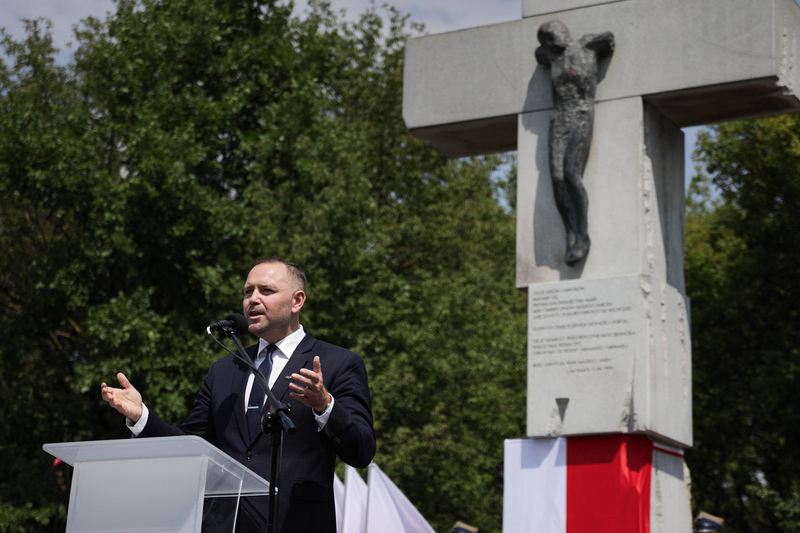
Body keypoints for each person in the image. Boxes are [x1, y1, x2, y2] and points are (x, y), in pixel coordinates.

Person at [101, 258, 376, 533]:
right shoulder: (223, 370)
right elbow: (190, 447)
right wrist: (142, 418)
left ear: (297, 301)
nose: (252, 299)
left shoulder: (337, 363)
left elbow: (362, 451)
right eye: (248, 291)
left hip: (295, 523)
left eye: (266, 291)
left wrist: (325, 407)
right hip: (224, 524)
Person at [535, 20, 614, 266]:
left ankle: (582, 236)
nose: (550, 41)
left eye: (552, 35)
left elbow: (609, 38)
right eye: (546, 40)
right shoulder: (549, 56)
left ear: (563, 30)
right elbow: (538, 54)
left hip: (581, 114)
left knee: (571, 174)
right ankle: (570, 233)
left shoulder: (589, 45)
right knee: (557, 178)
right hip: (559, 118)